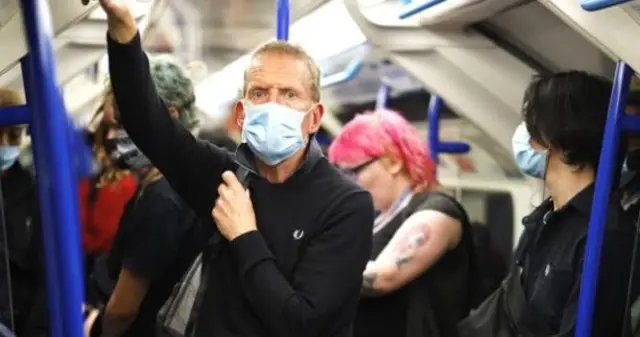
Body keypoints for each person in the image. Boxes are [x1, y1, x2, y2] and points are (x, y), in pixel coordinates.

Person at [98, 1, 374, 336]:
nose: (273, 105)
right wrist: (125, 31)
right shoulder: (225, 178)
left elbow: (302, 322)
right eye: (260, 93)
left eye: (289, 94)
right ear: (242, 114)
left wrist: (245, 235)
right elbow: (148, 123)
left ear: (314, 117)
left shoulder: (346, 205)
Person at [459, 71, 640, 337]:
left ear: (559, 140)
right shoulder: (544, 219)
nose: (526, 139)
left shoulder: (606, 235)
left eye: (533, 129)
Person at [84, 55, 205, 337]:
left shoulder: (163, 198)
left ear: (169, 117)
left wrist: (99, 329)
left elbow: (124, 309)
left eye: (127, 122)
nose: (116, 136)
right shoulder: (172, 182)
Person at [327, 110, 475, 337]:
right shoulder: (380, 217)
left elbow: (384, 276)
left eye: (353, 172)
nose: (348, 184)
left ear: (394, 162)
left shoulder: (436, 212)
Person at [81, 94, 138, 305]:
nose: (111, 136)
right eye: (108, 128)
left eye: (119, 127)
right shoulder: (92, 172)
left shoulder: (127, 183)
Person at [0, 89, 48, 337]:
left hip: (20, 320)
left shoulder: (33, 192)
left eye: (14, 136)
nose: (5, 144)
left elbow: (44, 272)